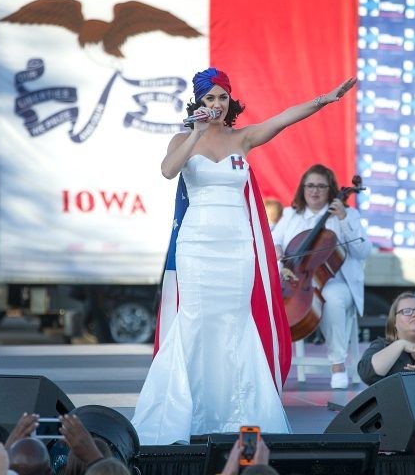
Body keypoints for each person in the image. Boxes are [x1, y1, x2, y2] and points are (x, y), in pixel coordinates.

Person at [131, 67, 357, 444]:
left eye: (222, 98)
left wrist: (323, 101)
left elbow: (284, 118)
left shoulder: (244, 138)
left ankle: (238, 414)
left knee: (235, 321)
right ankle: (189, 413)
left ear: (230, 101)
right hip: (197, 243)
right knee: (196, 320)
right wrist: (195, 134)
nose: (217, 104)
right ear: (198, 103)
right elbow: (168, 171)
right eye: (209, 99)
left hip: (237, 244)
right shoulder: (182, 139)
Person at [272, 164, 372, 389]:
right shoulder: (291, 215)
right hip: (297, 278)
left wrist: (344, 219)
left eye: (320, 186)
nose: (314, 191)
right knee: (269, 299)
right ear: (303, 188)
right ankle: (273, 363)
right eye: (310, 186)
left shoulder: (346, 215)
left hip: (339, 282)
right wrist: (277, 250)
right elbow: (273, 241)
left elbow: (364, 251)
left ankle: (337, 365)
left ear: (330, 189)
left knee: (332, 299)